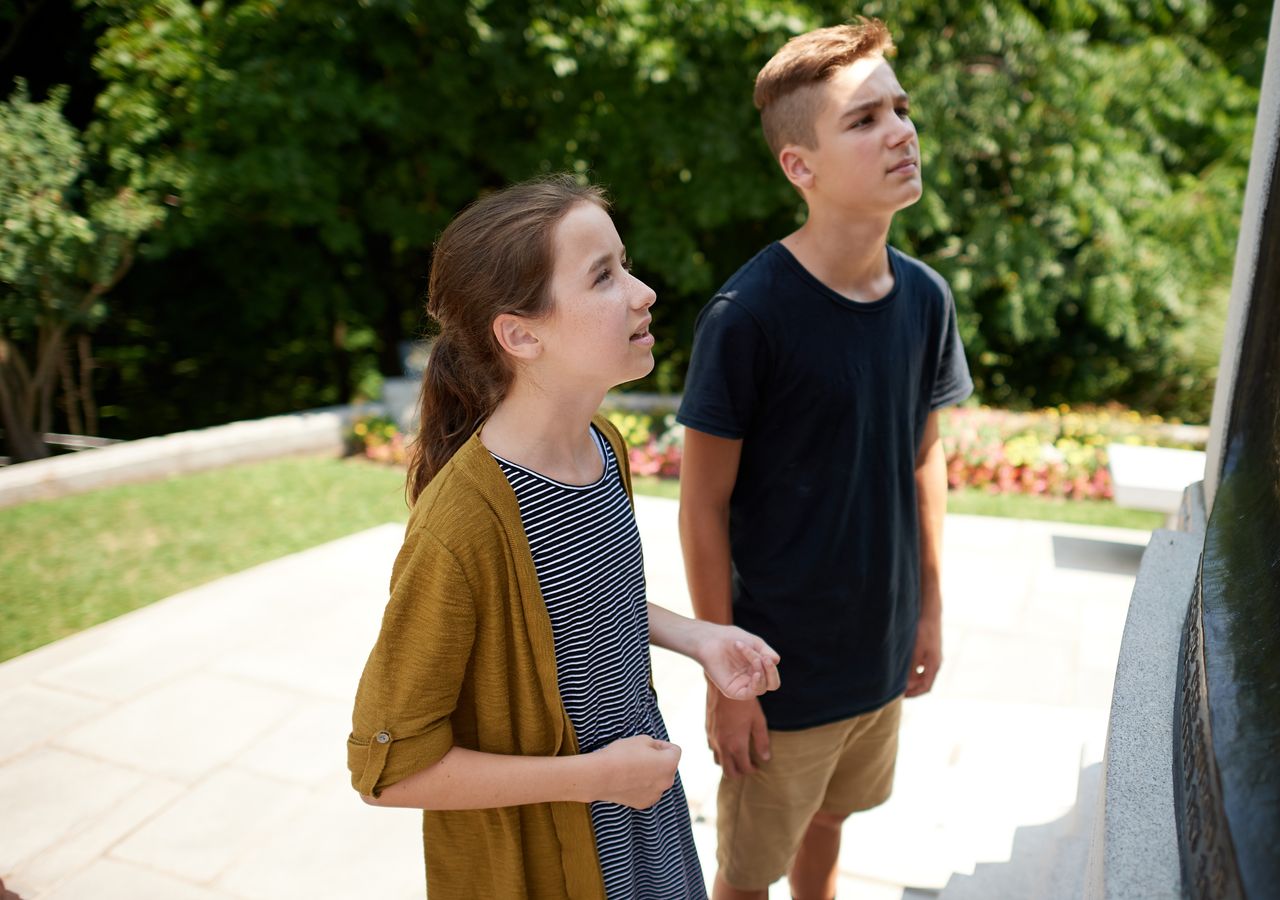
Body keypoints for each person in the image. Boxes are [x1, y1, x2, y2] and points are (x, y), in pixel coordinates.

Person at [347, 175, 781, 900]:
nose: (641, 292)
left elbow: (577, 606)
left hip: (643, 821)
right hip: (552, 858)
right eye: (603, 277)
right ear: (520, 334)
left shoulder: (601, 447)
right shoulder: (462, 526)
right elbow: (386, 771)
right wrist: (594, 777)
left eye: (625, 263)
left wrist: (698, 637)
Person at [675, 18, 974, 900]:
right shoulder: (747, 316)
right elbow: (701, 506)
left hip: (878, 652)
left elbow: (924, 457)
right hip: (778, 670)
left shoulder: (925, 297)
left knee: (832, 820)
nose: (900, 132)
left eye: (900, 109)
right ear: (798, 166)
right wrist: (729, 681)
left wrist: (926, 613)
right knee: (745, 873)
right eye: (864, 120)